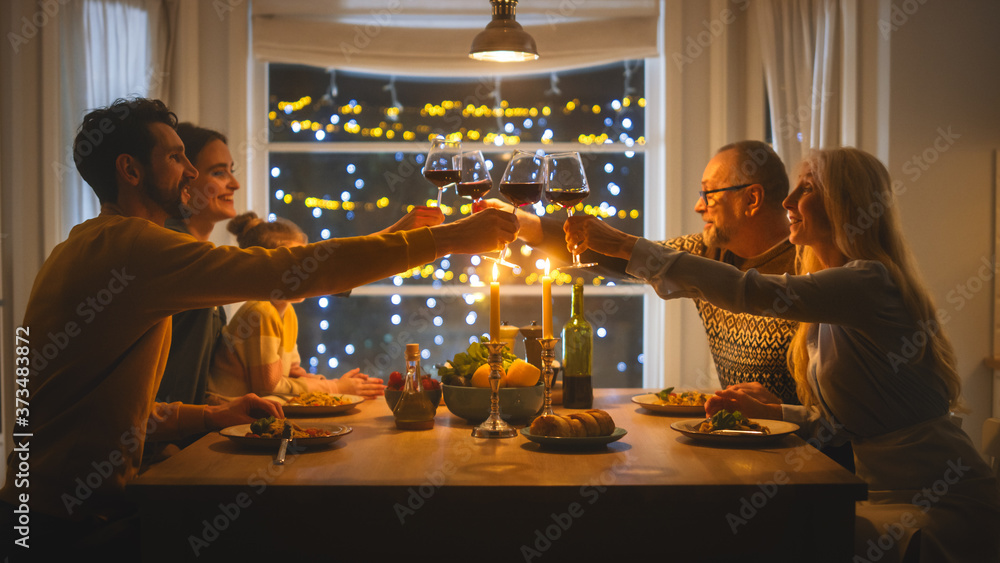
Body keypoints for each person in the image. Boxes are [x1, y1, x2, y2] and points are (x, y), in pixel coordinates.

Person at [0, 97, 517, 554]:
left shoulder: (81, 246)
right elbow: (282, 273)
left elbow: (105, 409)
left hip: (34, 509)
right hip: (67, 525)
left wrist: (213, 415)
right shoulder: (133, 246)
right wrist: (446, 239)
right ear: (130, 170)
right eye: (176, 157)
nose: (191, 172)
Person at [567, 146, 1000, 561]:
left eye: (806, 188)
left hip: (937, 506)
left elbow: (745, 290)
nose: (788, 200)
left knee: (748, 536)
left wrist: (627, 245)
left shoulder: (870, 281)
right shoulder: (835, 294)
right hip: (876, 493)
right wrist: (781, 411)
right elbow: (848, 426)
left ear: (847, 205)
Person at [481, 141, 800, 403]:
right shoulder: (707, 251)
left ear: (752, 198)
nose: (698, 207)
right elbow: (632, 263)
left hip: (805, 454)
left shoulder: (809, 268)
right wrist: (527, 226)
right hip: (739, 436)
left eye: (709, 194)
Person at [156, 124, 445, 405]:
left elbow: (292, 273)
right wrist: (394, 237)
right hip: (168, 437)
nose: (235, 183)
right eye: (218, 172)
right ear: (185, 179)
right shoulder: (176, 254)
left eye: (231, 170)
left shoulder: (198, 254)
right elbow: (291, 273)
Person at [208, 212, 385, 399]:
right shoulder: (261, 313)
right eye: (294, 264)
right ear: (265, 268)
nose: (306, 272)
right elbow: (269, 388)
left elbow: (290, 374)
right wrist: (335, 387)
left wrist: (325, 383)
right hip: (226, 412)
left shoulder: (287, 312)